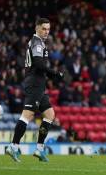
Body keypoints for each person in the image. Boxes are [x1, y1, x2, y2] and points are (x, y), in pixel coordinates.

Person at [5, 18, 64, 162]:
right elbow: (38, 64)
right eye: (44, 28)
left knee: (50, 115)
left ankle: (39, 149)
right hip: (35, 83)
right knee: (27, 115)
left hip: (39, 83)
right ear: (37, 28)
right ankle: (13, 146)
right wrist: (55, 73)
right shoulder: (37, 42)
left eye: (48, 29)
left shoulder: (38, 42)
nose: (46, 32)